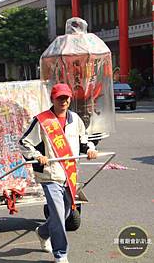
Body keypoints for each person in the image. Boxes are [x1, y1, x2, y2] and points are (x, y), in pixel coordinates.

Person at [19, 83, 98, 263]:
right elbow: (24, 143)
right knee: (56, 213)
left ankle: (43, 232)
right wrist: (37, 155)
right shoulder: (43, 121)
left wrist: (90, 149)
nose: (63, 101)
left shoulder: (75, 119)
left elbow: (83, 140)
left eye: (66, 98)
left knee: (65, 214)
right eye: (59, 98)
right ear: (52, 99)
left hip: (69, 174)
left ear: (70, 99)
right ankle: (61, 254)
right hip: (49, 174)